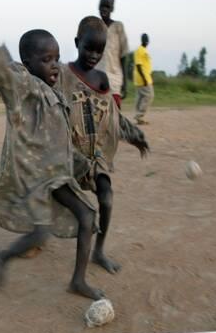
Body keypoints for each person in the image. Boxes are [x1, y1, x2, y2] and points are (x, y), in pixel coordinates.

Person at [0, 11, 104, 300]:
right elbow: (0, 72)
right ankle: (3, 256)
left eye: (56, 58)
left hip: (57, 174)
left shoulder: (55, 93)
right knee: (40, 234)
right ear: (28, 64)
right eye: (46, 60)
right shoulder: (22, 88)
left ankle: (78, 281)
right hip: (34, 179)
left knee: (87, 216)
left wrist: (85, 166)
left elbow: (60, 142)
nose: (55, 66)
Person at [57, 16, 149, 274]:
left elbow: (113, 116)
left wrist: (134, 135)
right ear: (77, 43)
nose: (93, 55)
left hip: (94, 156)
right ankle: (35, 235)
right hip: (68, 155)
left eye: (99, 50)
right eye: (88, 48)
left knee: (106, 200)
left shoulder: (101, 80)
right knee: (49, 199)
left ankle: (98, 251)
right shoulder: (61, 75)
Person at [95, 0, 129, 110]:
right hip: (96, 78)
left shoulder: (118, 27)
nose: (104, 9)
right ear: (98, 7)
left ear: (112, 8)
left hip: (114, 79)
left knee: (115, 118)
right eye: (102, 6)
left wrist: (125, 82)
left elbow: (123, 56)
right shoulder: (94, 26)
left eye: (107, 7)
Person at [133, 33, 154, 125]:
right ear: (143, 41)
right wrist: (144, 78)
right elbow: (138, 65)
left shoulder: (143, 50)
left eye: (146, 40)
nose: (146, 41)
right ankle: (139, 115)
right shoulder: (140, 50)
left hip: (144, 77)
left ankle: (138, 117)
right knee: (149, 95)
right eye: (145, 40)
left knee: (141, 97)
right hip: (143, 78)